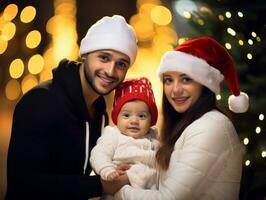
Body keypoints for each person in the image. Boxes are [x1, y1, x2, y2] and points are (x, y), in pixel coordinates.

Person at [6, 15, 137, 200]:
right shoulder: (40, 102)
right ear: (85, 54)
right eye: (104, 58)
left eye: (121, 64)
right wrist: (100, 185)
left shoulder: (100, 111)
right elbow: (25, 184)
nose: (110, 71)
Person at [105, 36, 249, 200]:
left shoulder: (211, 126)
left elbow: (169, 198)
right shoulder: (186, 125)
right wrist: (131, 173)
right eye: (168, 80)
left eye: (186, 79)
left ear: (205, 84)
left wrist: (118, 189)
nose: (175, 90)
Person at [90, 77, 159, 199]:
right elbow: (99, 154)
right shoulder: (113, 134)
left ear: (151, 120)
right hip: (117, 190)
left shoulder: (154, 139)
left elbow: (162, 165)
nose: (134, 121)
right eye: (126, 115)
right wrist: (107, 169)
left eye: (141, 116)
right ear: (117, 118)